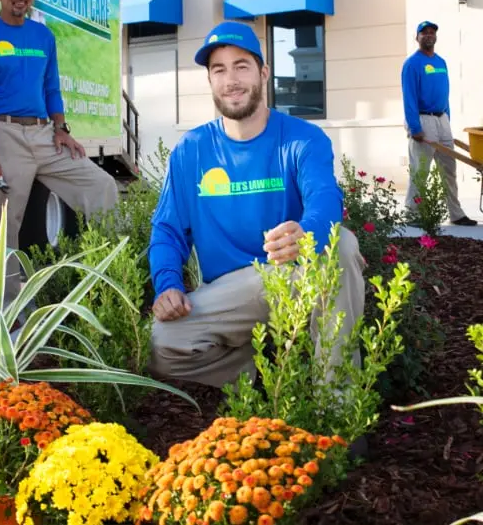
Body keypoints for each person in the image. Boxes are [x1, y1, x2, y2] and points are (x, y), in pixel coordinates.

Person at [148, 20, 366, 388]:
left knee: (340, 244)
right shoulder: (192, 149)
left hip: (294, 275)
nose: (230, 79)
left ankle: (337, 406)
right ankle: (272, 372)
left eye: (241, 66)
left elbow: (325, 197)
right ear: (210, 80)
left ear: (263, 73)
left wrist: (307, 233)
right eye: (219, 69)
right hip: (232, 292)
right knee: (163, 344)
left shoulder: (301, 138)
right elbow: (168, 230)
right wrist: (167, 283)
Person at [0, 0, 118, 304]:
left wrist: (61, 129)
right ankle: (5, 312)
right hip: (1, 135)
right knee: (3, 227)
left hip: (44, 135)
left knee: (102, 185)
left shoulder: (43, 36)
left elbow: (51, 89)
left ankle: (112, 281)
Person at [401, 21, 476, 226]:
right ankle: (412, 215)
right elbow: (409, 97)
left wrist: (447, 119)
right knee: (420, 170)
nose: (428, 35)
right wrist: (414, 127)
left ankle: (456, 213)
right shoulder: (411, 64)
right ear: (417, 37)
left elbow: (445, 93)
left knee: (449, 170)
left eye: (432, 32)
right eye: (424, 33)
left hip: (442, 119)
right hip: (423, 119)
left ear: (435, 37)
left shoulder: (441, 62)